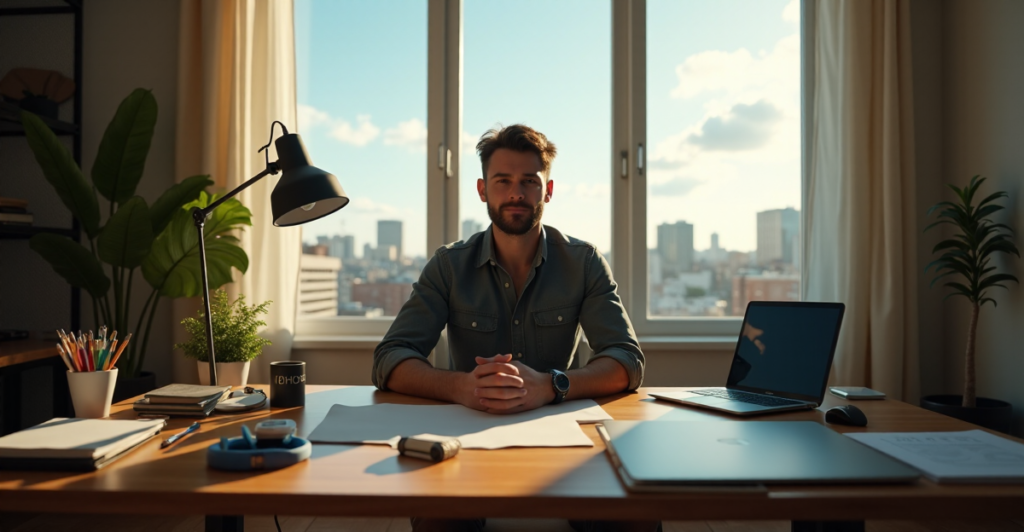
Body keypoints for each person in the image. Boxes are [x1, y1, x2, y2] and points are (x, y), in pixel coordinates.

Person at [372, 124, 658, 532]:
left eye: (529, 181)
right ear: (482, 189)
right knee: (438, 519)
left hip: (566, 439)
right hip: (466, 440)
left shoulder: (584, 262)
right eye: (502, 181)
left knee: (635, 518)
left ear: (549, 190)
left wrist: (550, 386)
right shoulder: (449, 265)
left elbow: (626, 360)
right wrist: (461, 387)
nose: (516, 193)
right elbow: (390, 358)